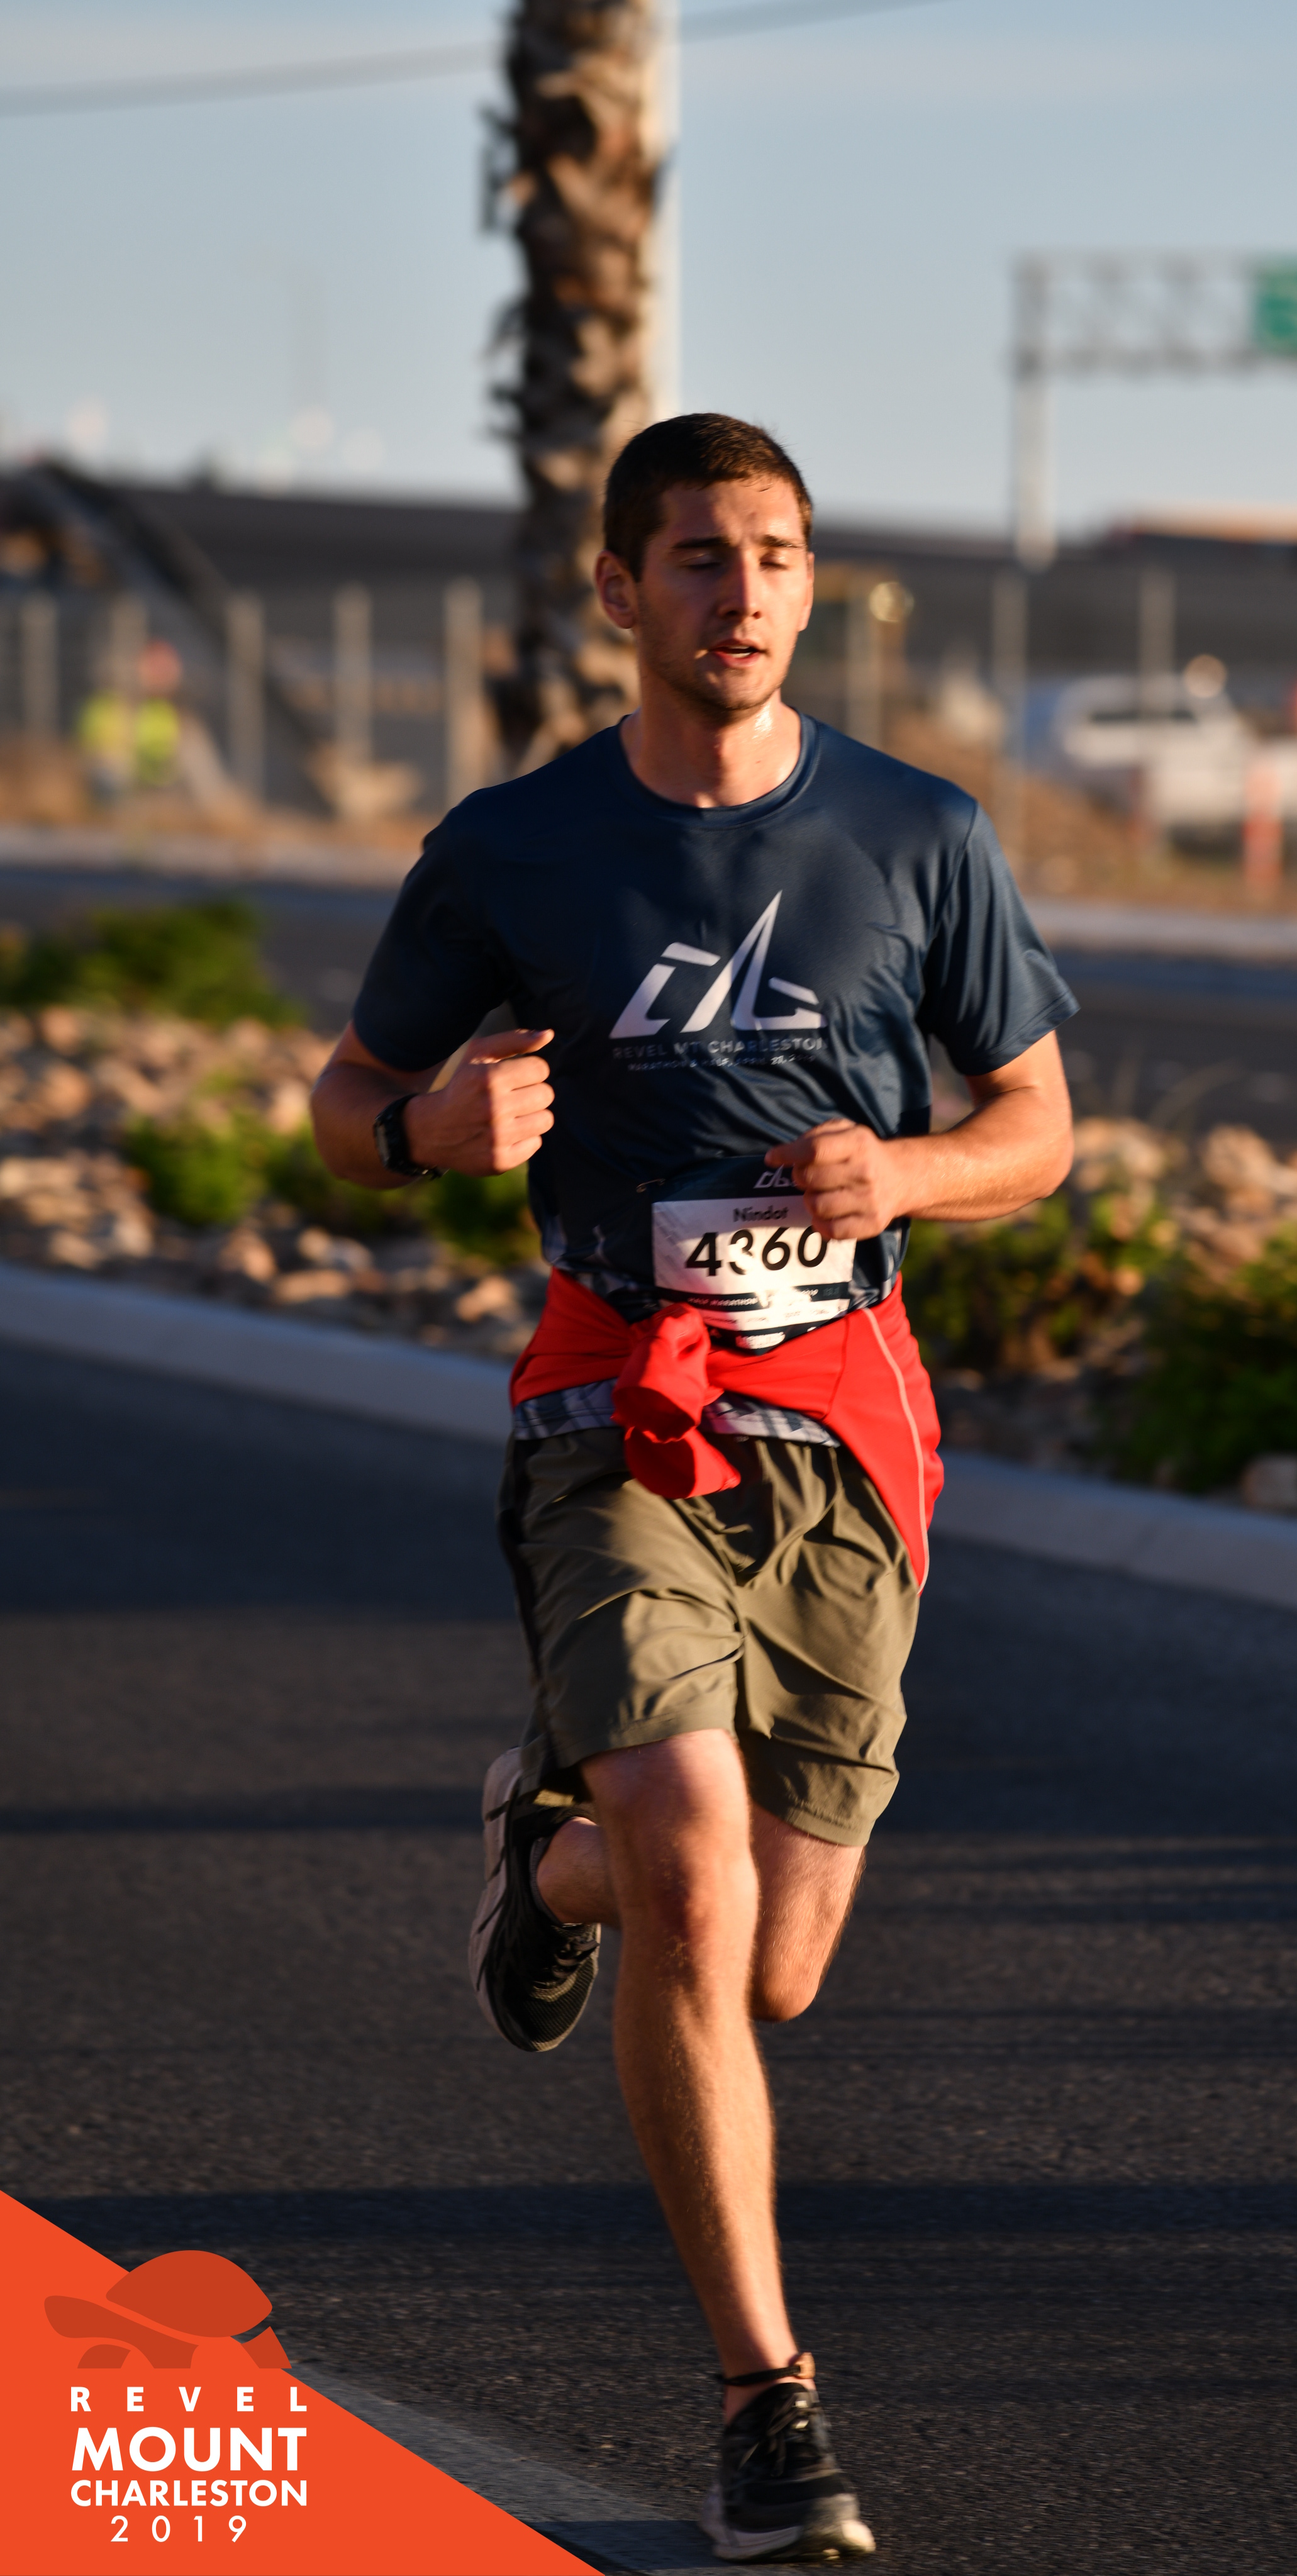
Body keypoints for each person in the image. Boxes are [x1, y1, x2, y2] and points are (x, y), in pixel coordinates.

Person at [309, 413, 1076, 2563]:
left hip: (847, 1417)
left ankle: (535, 1864)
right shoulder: (517, 846)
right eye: (701, 559)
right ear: (618, 592)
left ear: (812, 584)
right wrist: (425, 1133)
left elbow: (1038, 1127)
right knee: (694, 1862)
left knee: (773, 1962)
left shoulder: (919, 833)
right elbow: (345, 1099)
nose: (744, 596)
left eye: (777, 556)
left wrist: (906, 1170)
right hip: (614, 1398)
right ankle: (769, 2405)